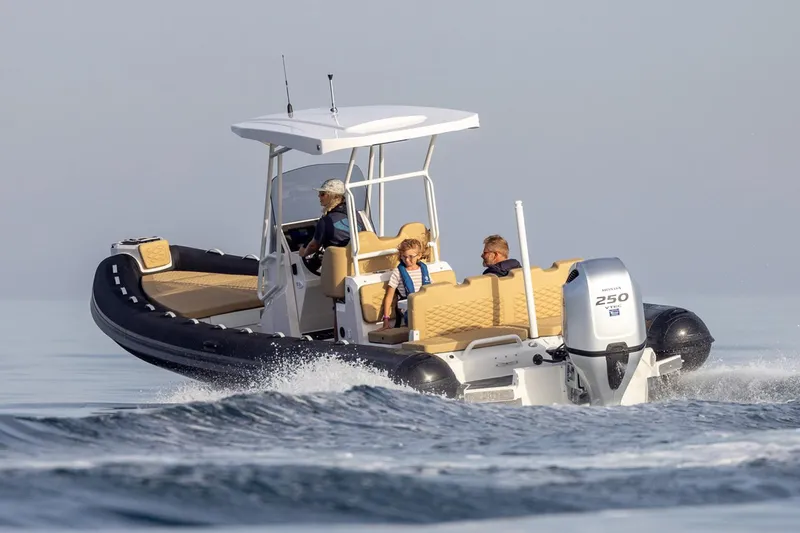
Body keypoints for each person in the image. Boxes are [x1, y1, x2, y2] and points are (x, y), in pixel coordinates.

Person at [298, 178, 364, 258]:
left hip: (340, 261)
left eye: (322, 194)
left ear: (334, 196)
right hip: (360, 257)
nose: (319, 196)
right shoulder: (355, 214)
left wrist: (303, 254)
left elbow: (313, 246)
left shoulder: (325, 221)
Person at [378, 238, 432, 330]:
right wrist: (386, 320)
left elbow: (431, 289)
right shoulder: (398, 272)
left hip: (424, 305)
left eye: (411, 257)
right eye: (404, 257)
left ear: (419, 256)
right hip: (408, 308)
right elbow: (389, 297)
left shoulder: (424, 270)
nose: (407, 260)